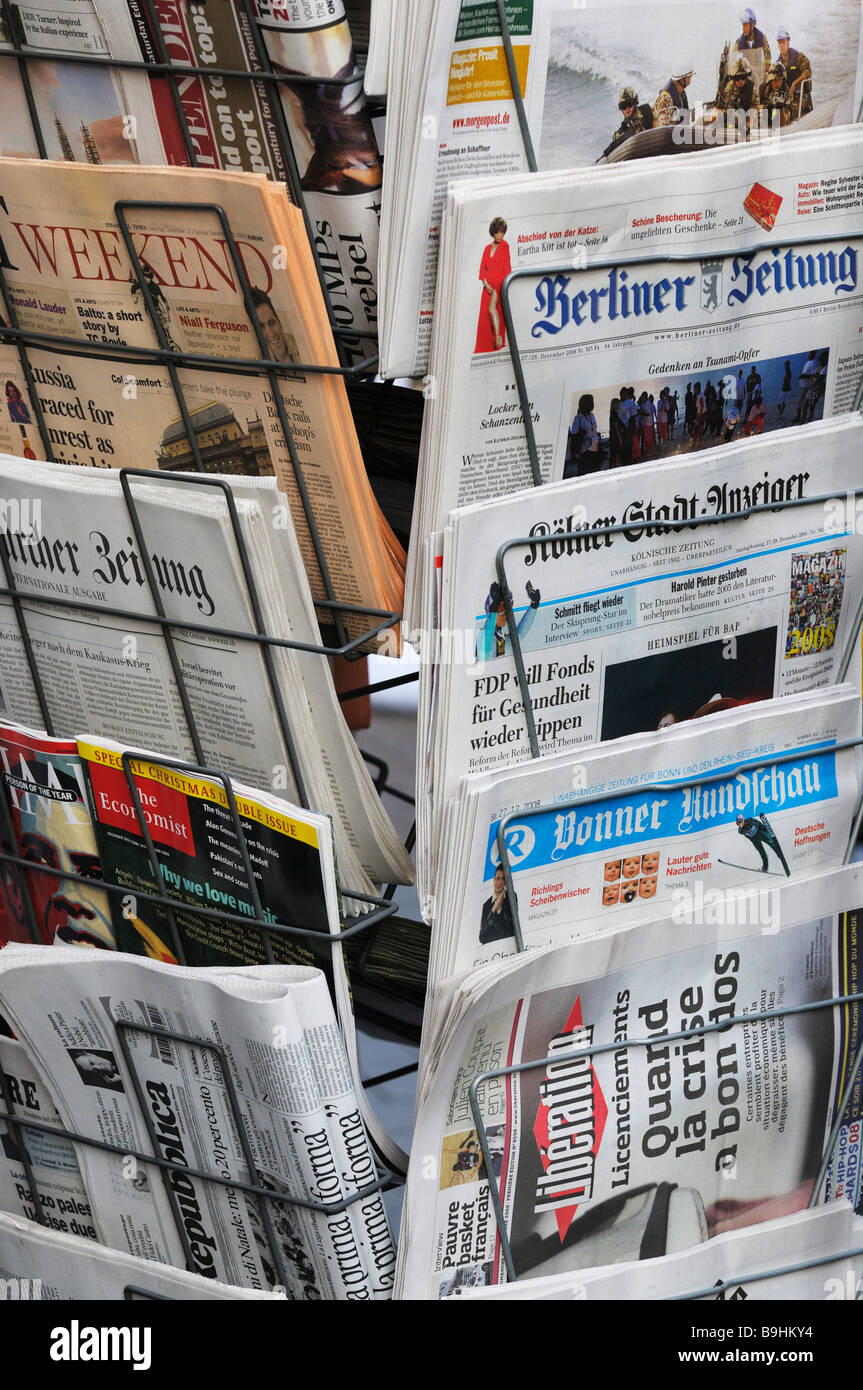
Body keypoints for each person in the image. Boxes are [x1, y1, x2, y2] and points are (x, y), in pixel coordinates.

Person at [477, 579, 541, 661]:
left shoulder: (501, 639)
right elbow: (487, 639)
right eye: (500, 608)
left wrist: (534, 605)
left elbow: (519, 634)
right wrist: (494, 607)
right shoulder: (485, 639)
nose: (504, 613)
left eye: (508, 607)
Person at [474, 217, 511, 354]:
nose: (500, 235)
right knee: (486, 316)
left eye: (502, 232)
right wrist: (485, 283)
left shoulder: (505, 246)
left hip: (499, 283)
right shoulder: (486, 249)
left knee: (491, 309)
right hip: (487, 287)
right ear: (493, 233)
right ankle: (490, 343)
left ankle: (498, 337)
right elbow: (482, 269)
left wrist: (498, 285)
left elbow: (507, 269)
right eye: (497, 232)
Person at [250, 287, 296, 364]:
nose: (271, 334)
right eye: (262, 327)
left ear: (279, 322)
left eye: (272, 323)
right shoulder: (261, 366)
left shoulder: (302, 348)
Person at [604, 85, 654, 156]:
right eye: (623, 106)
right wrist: (617, 135)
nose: (627, 109)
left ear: (635, 103)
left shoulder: (645, 110)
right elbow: (622, 133)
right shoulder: (627, 122)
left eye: (629, 104)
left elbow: (631, 132)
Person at [776, 27, 812, 119]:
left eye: (783, 42)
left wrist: (795, 83)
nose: (782, 45)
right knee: (773, 111)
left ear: (788, 42)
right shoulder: (778, 63)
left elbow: (807, 72)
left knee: (792, 114)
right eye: (779, 43)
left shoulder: (798, 57)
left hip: (801, 95)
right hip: (787, 96)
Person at [714, 56, 761, 125]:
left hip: (745, 119)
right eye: (737, 78)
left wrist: (748, 121)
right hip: (727, 120)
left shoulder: (752, 89)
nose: (740, 81)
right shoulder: (725, 88)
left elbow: (755, 107)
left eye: (743, 77)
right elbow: (718, 106)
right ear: (733, 78)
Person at [479, 865, 516, 944]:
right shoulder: (486, 905)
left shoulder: (511, 897)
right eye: (498, 878)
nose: (500, 883)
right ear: (493, 880)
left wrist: (499, 912)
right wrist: (494, 910)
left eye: (503, 879)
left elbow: (513, 927)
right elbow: (482, 937)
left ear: (506, 881)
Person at [568, 393, 600, 475]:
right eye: (592, 402)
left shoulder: (592, 415)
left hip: (595, 449)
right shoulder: (578, 418)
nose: (593, 404)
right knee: (584, 473)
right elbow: (574, 435)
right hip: (584, 452)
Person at [759, 60, 791, 126]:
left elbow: (784, 122)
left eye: (778, 80)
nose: (775, 83)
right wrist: (765, 107)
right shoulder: (764, 87)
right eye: (773, 80)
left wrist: (780, 109)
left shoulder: (786, 91)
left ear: (782, 79)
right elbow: (755, 106)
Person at [794, 350, 818, 421]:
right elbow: (806, 373)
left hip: (806, 386)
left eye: (810, 353)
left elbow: (813, 376)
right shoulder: (808, 362)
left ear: (813, 354)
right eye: (809, 353)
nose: (808, 354)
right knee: (800, 401)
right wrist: (802, 376)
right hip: (802, 385)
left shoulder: (813, 363)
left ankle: (798, 417)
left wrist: (803, 376)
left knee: (801, 401)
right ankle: (799, 416)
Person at [608, 397, 627, 467]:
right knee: (617, 453)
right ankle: (617, 466)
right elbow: (616, 428)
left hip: (613, 435)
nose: (619, 406)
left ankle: (615, 465)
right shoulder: (614, 414)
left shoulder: (613, 414)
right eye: (618, 404)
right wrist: (620, 439)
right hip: (615, 436)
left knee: (614, 453)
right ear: (615, 405)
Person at [690, 381, 707, 447]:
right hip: (699, 412)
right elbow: (699, 407)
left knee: (699, 428)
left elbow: (702, 407)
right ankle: (694, 443)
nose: (694, 390)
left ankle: (699, 443)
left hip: (702, 414)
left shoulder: (700, 396)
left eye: (695, 389)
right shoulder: (698, 395)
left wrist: (698, 416)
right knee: (695, 428)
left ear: (698, 388)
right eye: (693, 389)